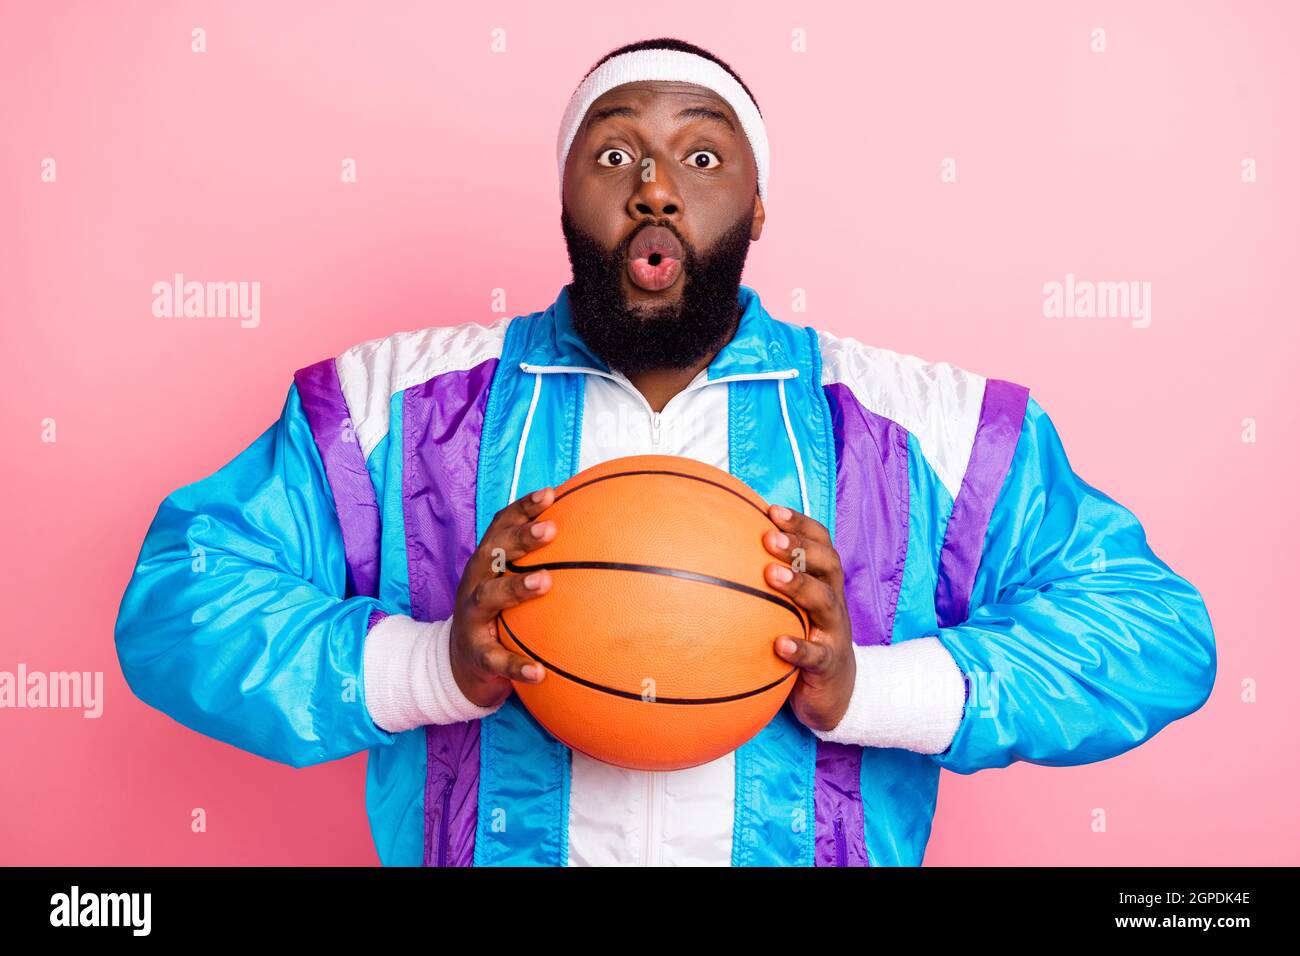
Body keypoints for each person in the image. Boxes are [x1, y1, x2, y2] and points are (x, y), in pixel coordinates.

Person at [114, 37, 1216, 866]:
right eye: (614, 152)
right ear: (566, 194)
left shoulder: (923, 425)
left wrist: (864, 690)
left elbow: (1156, 632)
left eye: (699, 152)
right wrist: (434, 665)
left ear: (757, 204)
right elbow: (176, 602)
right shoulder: (387, 408)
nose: (654, 184)